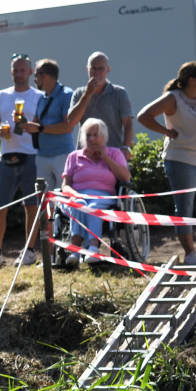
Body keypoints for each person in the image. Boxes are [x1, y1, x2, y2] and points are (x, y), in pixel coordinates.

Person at [137, 62, 196, 265]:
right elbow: (143, 116)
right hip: (180, 159)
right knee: (185, 208)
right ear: (191, 80)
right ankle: (190, 255)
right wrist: (166, 131)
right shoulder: (173, 98)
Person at [0, 54, 40, 269]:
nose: (19, 74)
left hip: (32, 156)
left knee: (31, 205)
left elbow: (42, 127)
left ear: (30, 72)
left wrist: (26, 123)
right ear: (11, 72)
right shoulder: (1, 96)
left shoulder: (38, 96)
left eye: (22, 70)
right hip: (6, 156)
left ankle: (30, 251)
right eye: (15, 70)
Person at [61, 117, 132, 256]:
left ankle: (93, 249)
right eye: (88, 135)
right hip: (77, 195)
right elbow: (65, 186)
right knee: (79, 204)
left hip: (103, 196)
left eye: (95, 134)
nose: (92, 139)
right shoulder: (74, 156)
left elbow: (126, 178)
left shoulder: (114, 153)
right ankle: (75, 251)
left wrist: (106, 157)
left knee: (93, 207)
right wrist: (75, 195)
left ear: (104, 137)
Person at [21, 59, 93, 193]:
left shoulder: (66, 95)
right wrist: (22, 121)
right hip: (42, 157)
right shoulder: (42, 98)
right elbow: (35, 124)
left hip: (62, 156)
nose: (34, 80)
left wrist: (40, 128)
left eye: (36, 75)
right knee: (43, 199)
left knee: (64, 197)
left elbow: (68, 126)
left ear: (45, 76)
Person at [78, 53, 135, 150]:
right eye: (93, 69)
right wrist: (87, 94)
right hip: (86, 154)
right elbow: (72, 121)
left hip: (113, 152)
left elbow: (128, 124)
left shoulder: (119, 93)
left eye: (101, 69)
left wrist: (126, 147)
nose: (97, 73)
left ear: (108, 70)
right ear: (87, 69)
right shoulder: (79, 93)